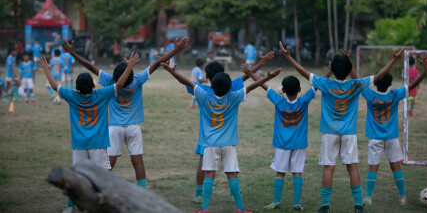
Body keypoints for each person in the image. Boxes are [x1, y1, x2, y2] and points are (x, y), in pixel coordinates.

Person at [279, 42, 404, 213]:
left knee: (329, 168)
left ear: (333, 69)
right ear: (349, 69)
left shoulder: (325, 83)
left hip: (329, 133)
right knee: (352, 167)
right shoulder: (356, 84)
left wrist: (287, 57)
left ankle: (325, 206)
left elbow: (302, 71)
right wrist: (394, 60)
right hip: (349, 133)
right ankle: (358, 207)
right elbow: (378, 76)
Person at [63, 37, 189, 189]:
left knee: (109, 162)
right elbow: (156, 63)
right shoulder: (137, 80)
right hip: (133, 127)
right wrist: (176, 49)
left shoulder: (111, 82)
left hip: (114, 127)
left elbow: (90, 66)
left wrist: (73, 53)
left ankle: (102, 189)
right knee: (137, 162)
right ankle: (142, 194)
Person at [161, 61, 281, 213]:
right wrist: (267, 78)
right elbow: (251, 86)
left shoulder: (204, 96)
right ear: (229, 87)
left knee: (209, 174)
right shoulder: (234, 97)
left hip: (210, 145)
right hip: (229, 144)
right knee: (232, 175)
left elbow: (186, 82)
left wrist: (172, 71)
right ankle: (240, 209)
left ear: (211, 83)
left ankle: (204, 209)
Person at [38, 53, 139, 213]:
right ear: (93, 86)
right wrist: (130, 66)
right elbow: (119, 84)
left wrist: (45, 69)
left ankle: (70, 208)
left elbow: (55, 86)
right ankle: (104, 204)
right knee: (104, 176)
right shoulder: (101, 94)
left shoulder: (72, 96)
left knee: (76, 177)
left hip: (79, 144)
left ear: (76, 88)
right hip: (98, 144)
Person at [187, 52, 275, 204]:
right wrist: (263, 62)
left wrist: (171, 70)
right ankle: (234, 194)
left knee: (204, 164)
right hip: (227, 137)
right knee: (231, 168)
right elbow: (248, 77)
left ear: (207, 77)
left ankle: (199, 194)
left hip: (207, 136)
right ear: (223, 75)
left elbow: (187, 83)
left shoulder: (201, 90)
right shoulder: (229, 87)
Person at [242, 64, 331, 211]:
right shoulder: (304, 100)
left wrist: (251, 73)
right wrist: (328, 73)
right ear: (300, 90)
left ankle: (276, 201)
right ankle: (297, 204)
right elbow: (317, 85)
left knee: (280, 172)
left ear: (283, 91)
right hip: (299, 143)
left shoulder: (279, 100)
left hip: (282, 144)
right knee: (297, 172)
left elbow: (263, 85)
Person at [361, 68, 427, 207]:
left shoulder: (369, 94)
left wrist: (351, 67)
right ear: (390, 84)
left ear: (375, 82)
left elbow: (357, 81)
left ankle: (368, 197)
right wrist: (425, 71)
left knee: (373, 168)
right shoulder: (395, 94)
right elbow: (413, 85)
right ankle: (403, 197)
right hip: (392, 137)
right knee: (396, 166)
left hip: (375, 137)